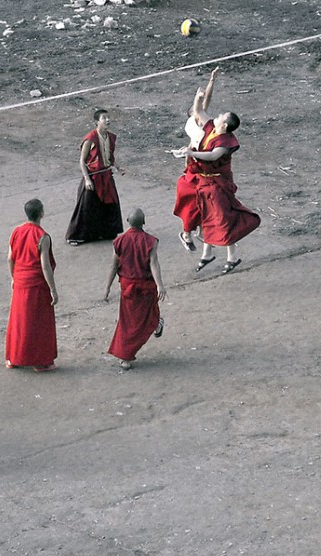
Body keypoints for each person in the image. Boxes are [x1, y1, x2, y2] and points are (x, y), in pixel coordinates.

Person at [183, 84, 260, 274]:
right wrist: (198, 96)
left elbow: (212, 156)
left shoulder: (226, 142)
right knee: (207, 216)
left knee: (223, 218)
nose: (215, 117)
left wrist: (191, 152)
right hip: (205, 182)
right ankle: (207, 253)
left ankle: (232, 256)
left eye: (220, 117)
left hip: (218, 184)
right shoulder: (212, 129)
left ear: (224, 125)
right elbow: (198, 111)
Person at [103, 208, 167, 369]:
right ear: (143, 222)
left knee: (128, 322)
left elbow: (113, 265)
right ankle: (156, 323)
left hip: (128, 286)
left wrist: (107, 287)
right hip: (146, 286)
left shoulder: (119, 241)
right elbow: (154, 263)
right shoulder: (151, 241)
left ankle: (125, 357)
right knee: (144, 316)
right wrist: (160, 285)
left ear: (127, 221)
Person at [6, 199, 59, 371]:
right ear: (41, 213)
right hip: (36, 284)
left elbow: (10, 258)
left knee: (18, 321)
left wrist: (13, 277)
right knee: (38, 323)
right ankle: (39, 362)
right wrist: (53, 289)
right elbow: (45, 266)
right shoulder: (43, 236)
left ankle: (13, 359)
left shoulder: (16, 231)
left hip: (20, 281)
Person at [173, 68, 219, 252]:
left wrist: (212, 81)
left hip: (200, 163)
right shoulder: (194, 124)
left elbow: (207, 99)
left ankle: (200, 230)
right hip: (194, 165)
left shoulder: (202, 122)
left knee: (206, 200)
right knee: (193, 202)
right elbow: (202, 103)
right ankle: (187, 233)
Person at [65, 109, 124, 245]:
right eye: (104, 118)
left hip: (106, 176)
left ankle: (105, 232)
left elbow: (109, 157)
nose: (107, 120)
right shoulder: (90, 139)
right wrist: (86, 179)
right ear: (97, 122)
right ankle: (75, 236)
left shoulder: (110, 137)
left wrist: (118, 167)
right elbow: (82, 161)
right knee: (86, 207)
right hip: (93, 177)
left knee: (110, 203)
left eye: (108, 117)